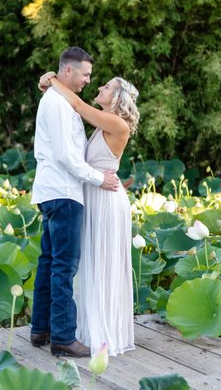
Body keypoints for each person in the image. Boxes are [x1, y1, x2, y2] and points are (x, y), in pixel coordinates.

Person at [38, 70, 140, 357]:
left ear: (117, 100)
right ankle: (88, 327)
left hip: (106, 200)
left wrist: (52, 80)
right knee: (90, 262)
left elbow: (78, 106)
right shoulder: (102, 124)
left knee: (102, 262)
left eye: (107, 86)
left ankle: (104, 332)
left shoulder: (116, 123)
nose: (100, 87)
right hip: (92, 195)